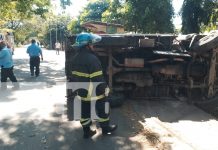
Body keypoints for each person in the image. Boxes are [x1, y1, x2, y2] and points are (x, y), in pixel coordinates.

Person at [69, 32, 117, 139]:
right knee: (102, 109)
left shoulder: (74, 58)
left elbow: (72, 76)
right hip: (94, 91)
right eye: (92, 44)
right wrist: (105, 90)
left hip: (81, 91)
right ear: (87, 46)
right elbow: (97, 78)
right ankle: (106, 129)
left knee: (84, 112)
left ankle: (87, 132)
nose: (93, 46)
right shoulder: (92, 59)